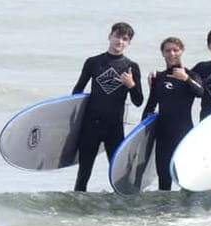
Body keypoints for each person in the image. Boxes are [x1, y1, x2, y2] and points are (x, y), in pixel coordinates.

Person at [71, 22, 144, 191]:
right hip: (90, 126)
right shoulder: (93, 62)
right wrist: (71, 124)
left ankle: (119, 210)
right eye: (117, 36)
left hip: (114, 128)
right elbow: (77, 91)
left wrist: (131, 85)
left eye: (125, 39)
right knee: (84, 173)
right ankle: (77, 210)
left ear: (129, 43)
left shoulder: (131, 67)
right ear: (110, 36)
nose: (120, 41)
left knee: (118, 174)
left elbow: (138, 101)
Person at [142, 36, 203, 190]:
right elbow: (150, 105)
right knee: (164, 178)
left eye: (175, 50)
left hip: (184, 133)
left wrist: (186, 78)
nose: (172, 53)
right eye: (168, 50)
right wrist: (143, 133)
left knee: (185, 177)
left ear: (181, 51)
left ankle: (185, 212)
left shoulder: (192, 75)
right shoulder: (158, 78)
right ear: (162, 53)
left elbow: (200, 92)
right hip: (162, 134)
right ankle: (164, 212)